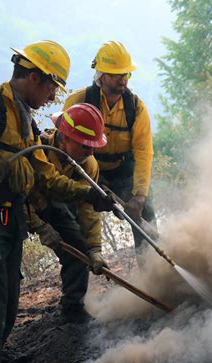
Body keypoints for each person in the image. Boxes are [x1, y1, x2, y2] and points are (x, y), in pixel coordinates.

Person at [0, 40, 117, 363]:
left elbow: (45, 180)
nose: (52, 98)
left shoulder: (24, 119)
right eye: (50, 87)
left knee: (7, 302)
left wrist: (91, 196)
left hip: (8, 220)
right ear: (33, 77)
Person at [63, 40, 156, 264]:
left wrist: (139, 196)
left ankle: (155, 278)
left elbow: (143, 152)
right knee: (74, 225)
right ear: (102, 75)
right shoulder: (79, 102)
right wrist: (91, 182)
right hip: (85, 167)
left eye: (126, 74)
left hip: (122, 168)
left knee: (147, 218)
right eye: (116, 75)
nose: (123, 80)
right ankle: (76, 290)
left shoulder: (136, 107)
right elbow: (63, 145)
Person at [27, 103, 110, 324]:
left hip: (52, 206)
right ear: (65, 138)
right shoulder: (38, 151)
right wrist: (39, 226)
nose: (91, 152)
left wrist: (95, 249)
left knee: (77, 249)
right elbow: (20, 195)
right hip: (19, 206)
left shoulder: (88, 163)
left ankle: (73, 309)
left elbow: (87, 208)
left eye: (93, 146)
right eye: (85, 146)